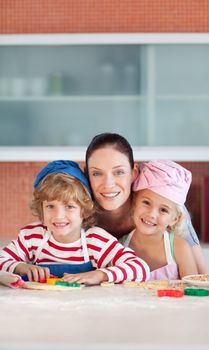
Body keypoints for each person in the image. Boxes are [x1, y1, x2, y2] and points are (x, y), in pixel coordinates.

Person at [0, 160, 150, 285]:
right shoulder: (32, 237)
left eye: (69, 206)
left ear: (84, 210)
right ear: (41, 208)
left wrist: (99, 275)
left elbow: (140, 268)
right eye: (50, 206)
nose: (59, 216)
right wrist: (20, 267)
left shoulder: (95, 241)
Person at [85, 132, 208, 273]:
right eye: (96, 173)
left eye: (119, 172)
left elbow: (201, 276)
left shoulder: (164, 202)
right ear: (87, 175)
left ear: (134, 172)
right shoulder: (80, 213)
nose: (108, 184)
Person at [122, 160, 198, 279]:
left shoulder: (179, 248)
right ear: (134, 203)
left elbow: (193, 290)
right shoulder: (118, 247)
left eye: (163, 210)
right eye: (146, 202)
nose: (152, 214)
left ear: (174, 219)